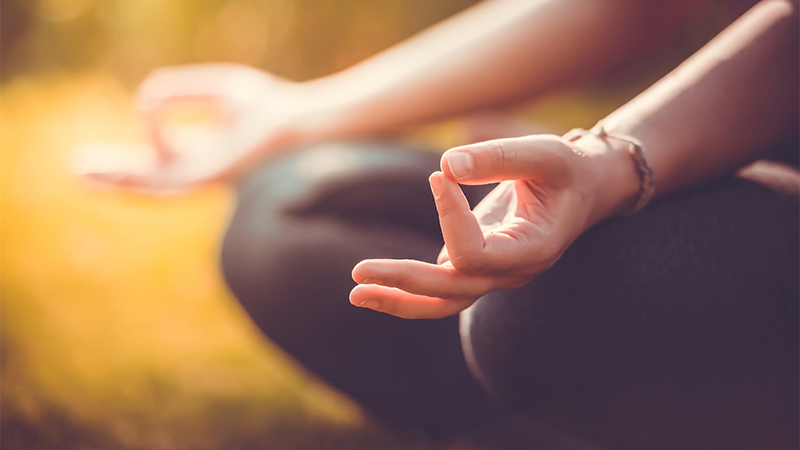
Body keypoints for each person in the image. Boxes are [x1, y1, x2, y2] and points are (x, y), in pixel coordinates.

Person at [74, 0, 799, 448]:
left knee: (518, 317)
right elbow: (619, 7)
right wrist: (299, 113)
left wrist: (613, 163)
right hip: (693, 158)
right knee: (285, 211)